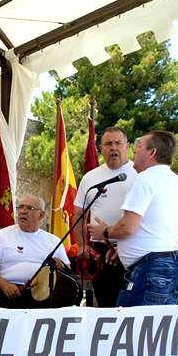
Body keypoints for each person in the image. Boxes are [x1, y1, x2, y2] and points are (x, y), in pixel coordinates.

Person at [88, 130, 178, 307]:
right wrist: (122, 249)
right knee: (158, 322)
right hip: (169, 265)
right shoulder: (174, 180)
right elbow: (154, 227)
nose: (134, 150)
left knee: (129, 322)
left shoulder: (145, 179)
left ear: (152, 153)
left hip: (151, 271)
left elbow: (128, 227)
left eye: (139, 146)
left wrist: (105, 232)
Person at [73, 127, 134, 308]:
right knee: (106, 305)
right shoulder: (90, 178)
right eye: (108, 144)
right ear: (101, 148)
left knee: (132, 307)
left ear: (127, 146)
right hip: (101, 250)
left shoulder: (139, 173)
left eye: (118, 143)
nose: (113, 148)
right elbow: (79, 214)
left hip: (132, 248)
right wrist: (82, 245)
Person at [0, 195, 70, 308]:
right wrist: (4, 285)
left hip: (45, 296)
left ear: (41, 215)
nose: (23, 211)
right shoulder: (2, 235)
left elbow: (68, 271)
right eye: (20, 207)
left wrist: (61, 266)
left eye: (29, 208)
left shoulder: (54, 241)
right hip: (8, 292)